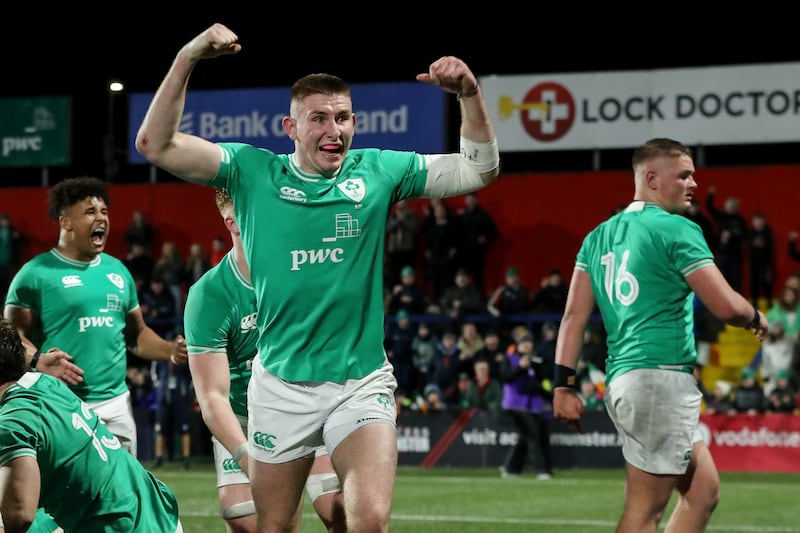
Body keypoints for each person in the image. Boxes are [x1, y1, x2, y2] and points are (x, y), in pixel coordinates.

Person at [136, 23, 499, 531]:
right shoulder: (251, 172)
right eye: (319, 118)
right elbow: (155, 144)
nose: (334, 130)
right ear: (291, 127)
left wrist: (470, 94)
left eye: (343, 118)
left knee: (367, 520)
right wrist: (188, 56)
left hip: (360, 382)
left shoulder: (378, 171)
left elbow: (479, 169)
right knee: (274, 527)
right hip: (280, 389)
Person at [552, 138, 768, 533]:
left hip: (628, 380)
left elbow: (572, 317)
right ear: (651, 179)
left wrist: (563, 385)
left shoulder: (597, 236)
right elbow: (726, 307)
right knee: (643, 512)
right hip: (657, 381)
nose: (693, 184)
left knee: (703, 492)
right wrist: (755, 317)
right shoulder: (677, 228)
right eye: (683, 175)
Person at [184, 190, 344, 532]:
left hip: (304, 407)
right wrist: (247, 456)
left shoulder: (301, 272)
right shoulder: (210, 294)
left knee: (340, 510)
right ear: (232, 223)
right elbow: (212, 395)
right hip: (244, 420)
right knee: (245, 519)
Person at [3, 176, 188, 459]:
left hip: (116, 405)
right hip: (60, 403)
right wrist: (38, 359)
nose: (101, 218)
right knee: (65, 487)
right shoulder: (35, 274)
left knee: (122, 486)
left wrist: (170, 350)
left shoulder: (118, 272)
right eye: (90, 212)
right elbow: (11, 338)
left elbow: (136, 335)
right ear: (66, 222)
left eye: (104, 211)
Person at [0, 318, 183, 532]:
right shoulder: (47, 384)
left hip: (124, 526)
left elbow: (19, 516)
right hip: (157, 511)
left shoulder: (13, 422)